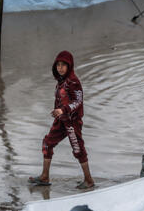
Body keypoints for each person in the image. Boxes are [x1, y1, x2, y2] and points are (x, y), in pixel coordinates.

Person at [29, 51, 95, 189]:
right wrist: (58, 112)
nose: (60, 68)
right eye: (58, 65)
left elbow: (78, 101)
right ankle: (44, 176)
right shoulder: (60, 82)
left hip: (72, 122)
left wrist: (63, 110)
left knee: (78, 149)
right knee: (47, 143)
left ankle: (89, 180)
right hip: (61, 121)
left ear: (69, 66)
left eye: (63, 65)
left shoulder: (73, 82)